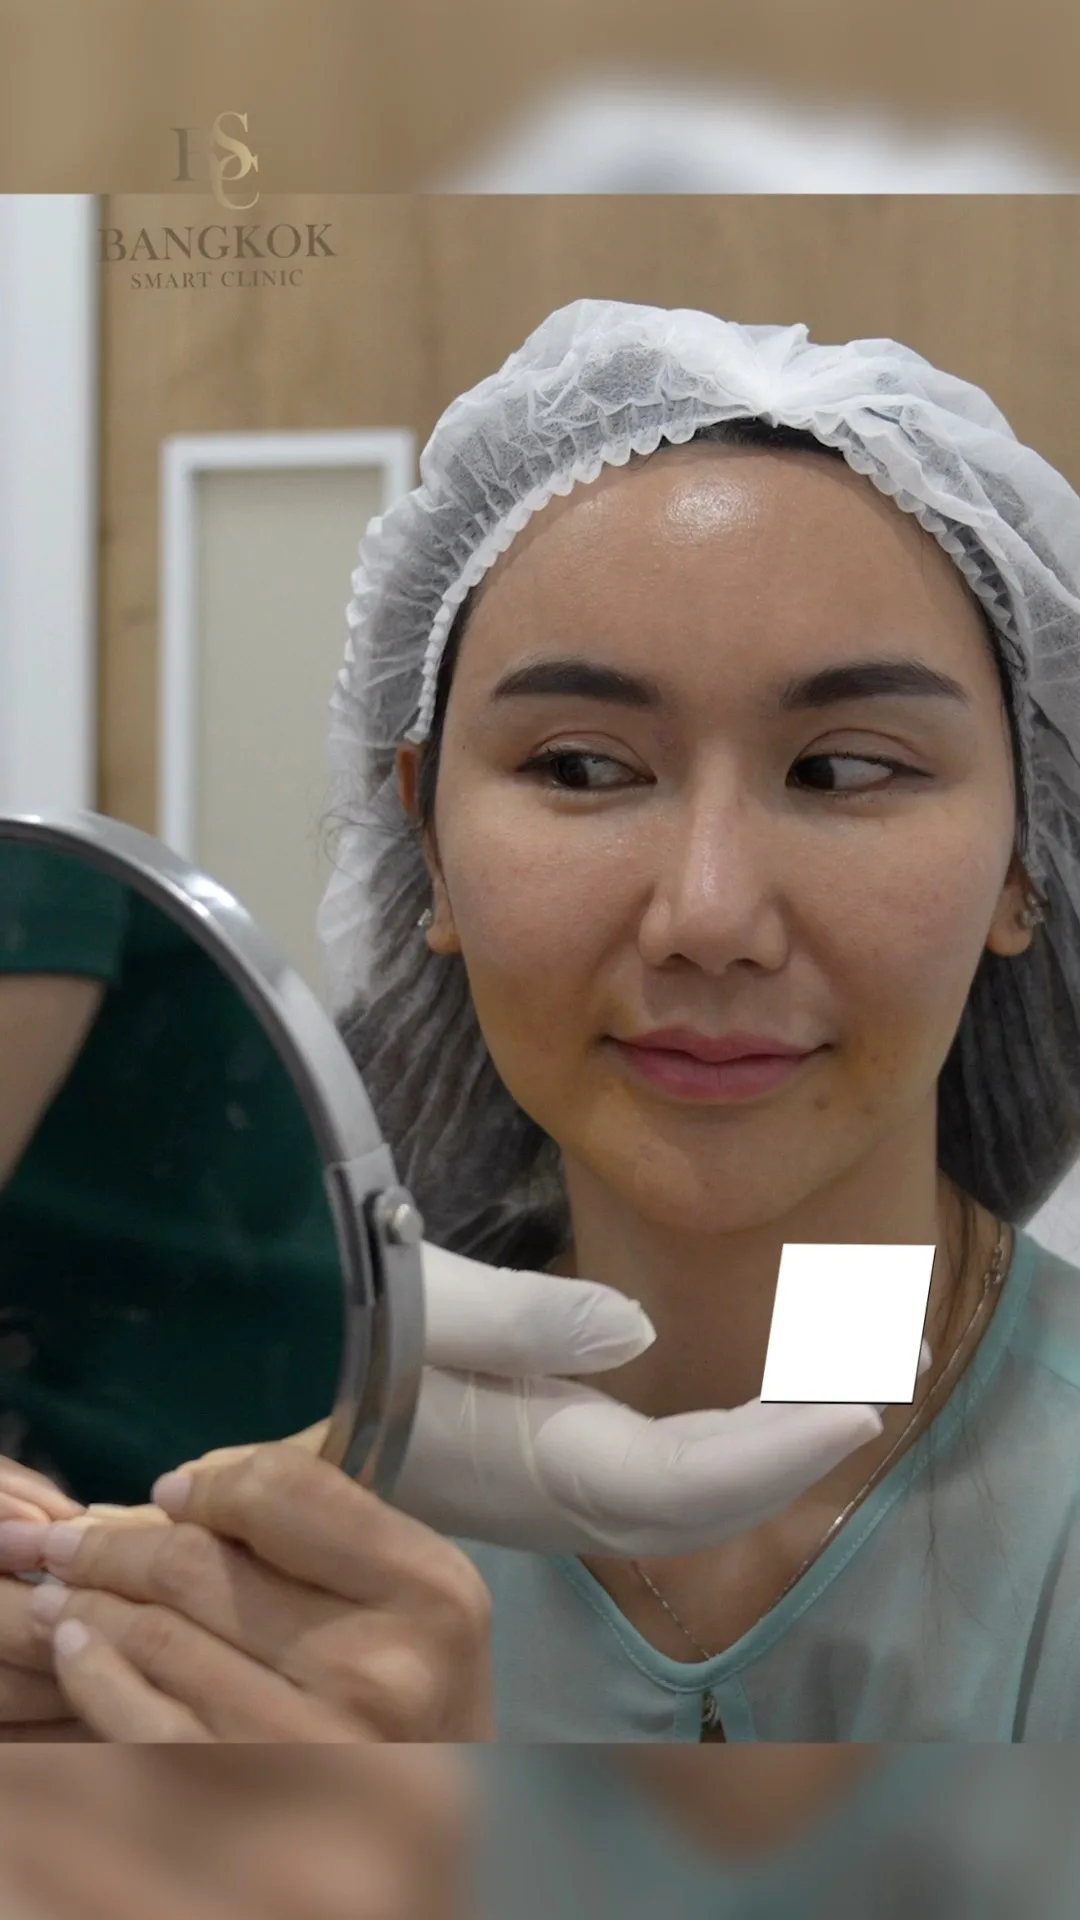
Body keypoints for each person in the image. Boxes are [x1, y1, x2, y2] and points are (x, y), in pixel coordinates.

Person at [5, 297, 1080, 1748]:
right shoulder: (259, 1538)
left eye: (842, 770)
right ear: (429, 845)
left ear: (1025, 858)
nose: (709, 913)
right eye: (580, 767)